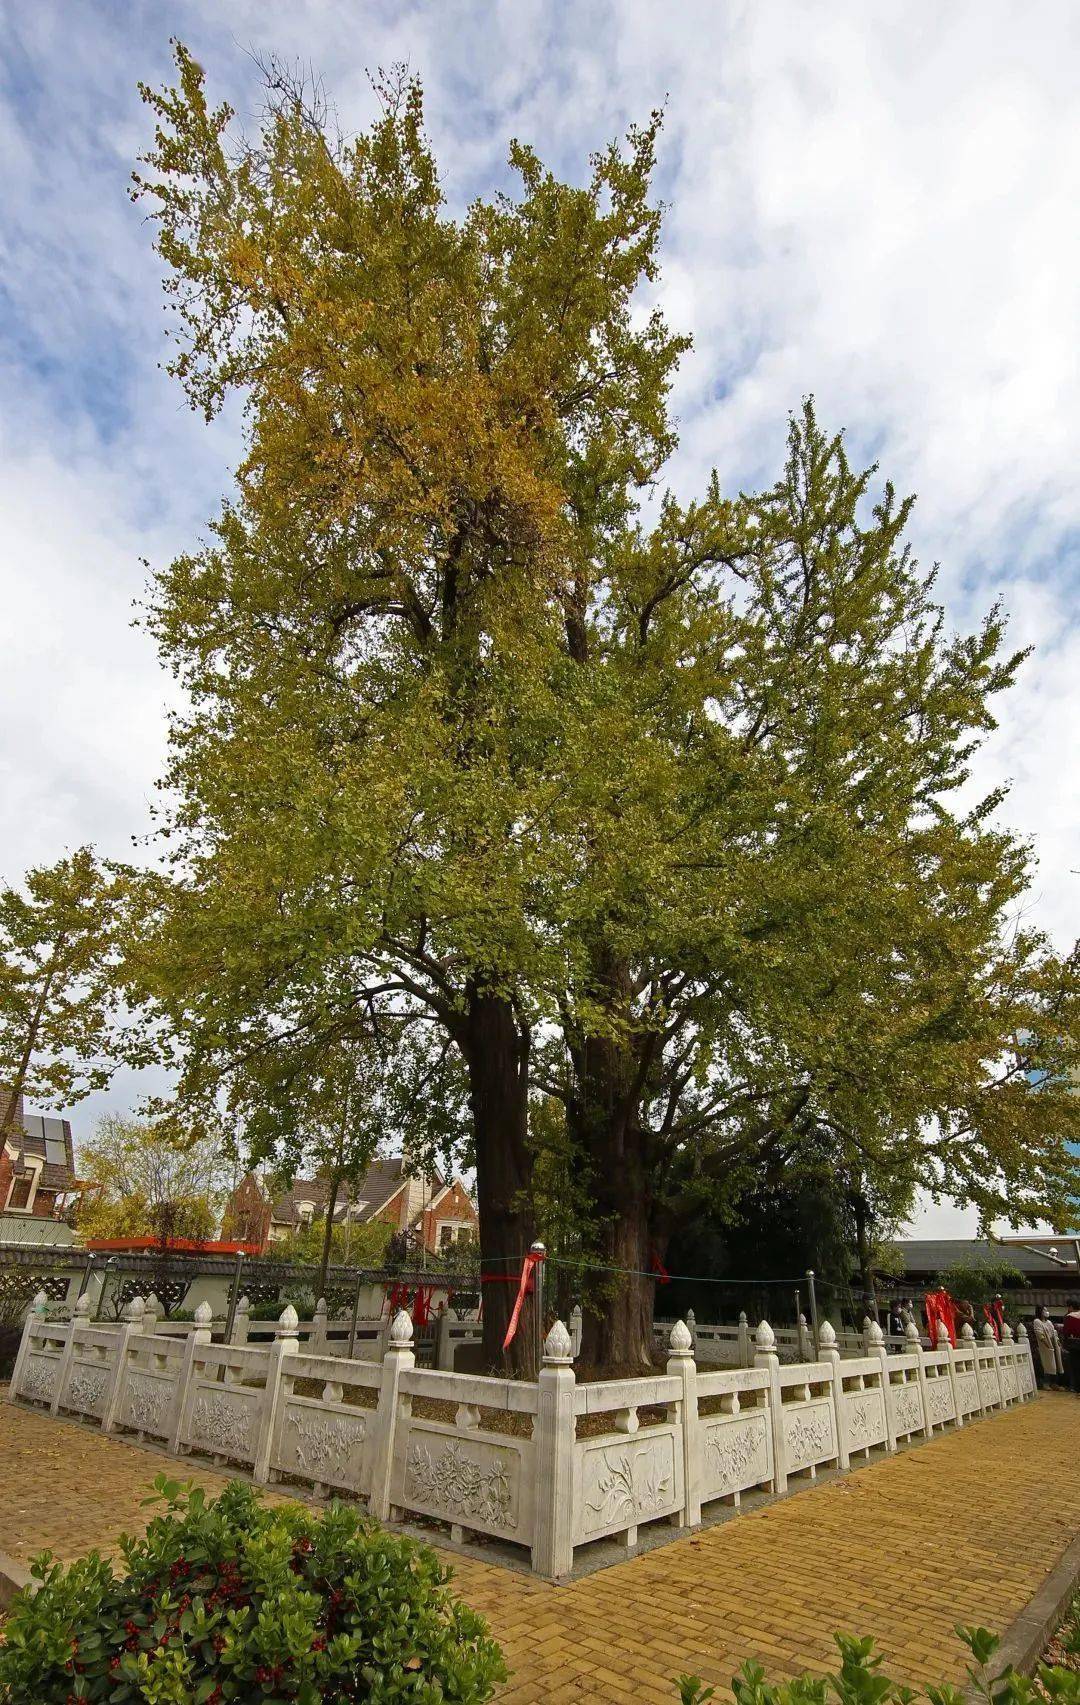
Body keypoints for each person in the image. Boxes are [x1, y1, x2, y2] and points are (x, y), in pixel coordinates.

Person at [1032, 1305, 1064, 1387]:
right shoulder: (1037, 1321)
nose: (1046, 1312)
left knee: (1055, 1364)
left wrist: (1058, 1342)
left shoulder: (1049, 1322)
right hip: (1045, 1346)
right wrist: (1047, 1345)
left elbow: (1054, 1333)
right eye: (1044, 1310)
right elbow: (1040, 1334)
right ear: (1040, 1311)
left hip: (1053, 1344)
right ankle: (1046, 1383)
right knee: (1046, 1364)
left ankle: (1054, 1383)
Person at [1061, 1298, 1080, 1393]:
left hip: (1074, 1345)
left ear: (1071, 1307)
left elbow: (1066, 1332)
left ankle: (1076, 1387)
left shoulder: (1069, 1317)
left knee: (1075, 1366)